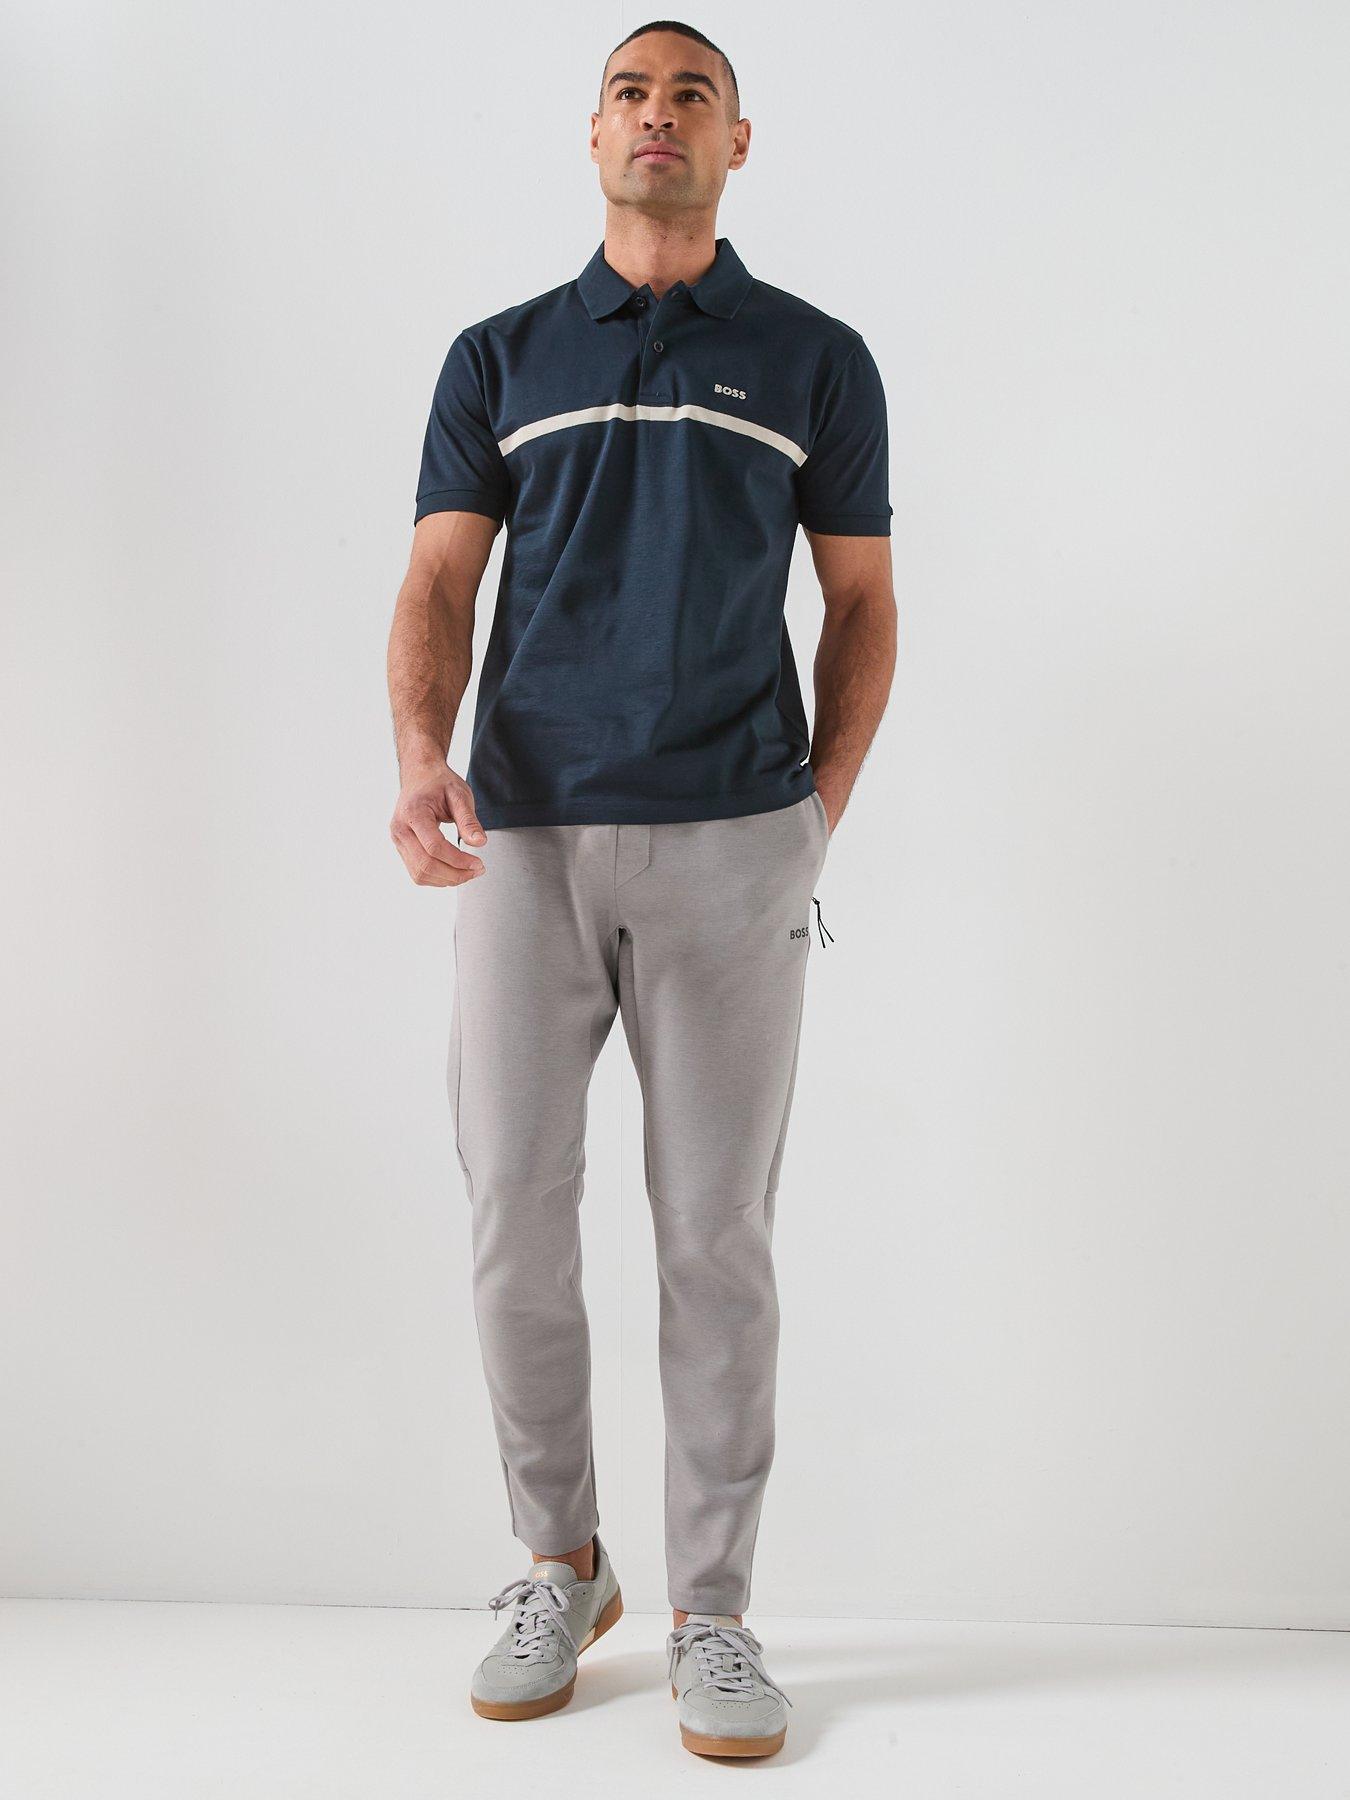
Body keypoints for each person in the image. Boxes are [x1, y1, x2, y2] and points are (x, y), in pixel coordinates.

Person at [386, 17, 896, 1760]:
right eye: (630, 91)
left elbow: (863, 602)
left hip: (732, 842)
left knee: (714, 1237)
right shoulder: (499, 356)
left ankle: (715, 1615)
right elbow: (438, 582)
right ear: (590, 132)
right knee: (513, 1217)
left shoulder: (815, 358)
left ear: (737, 141)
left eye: (692, 95)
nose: (657, 114)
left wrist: (812, 816)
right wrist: (419, 754)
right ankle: (562, 1562)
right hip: (521, 841)